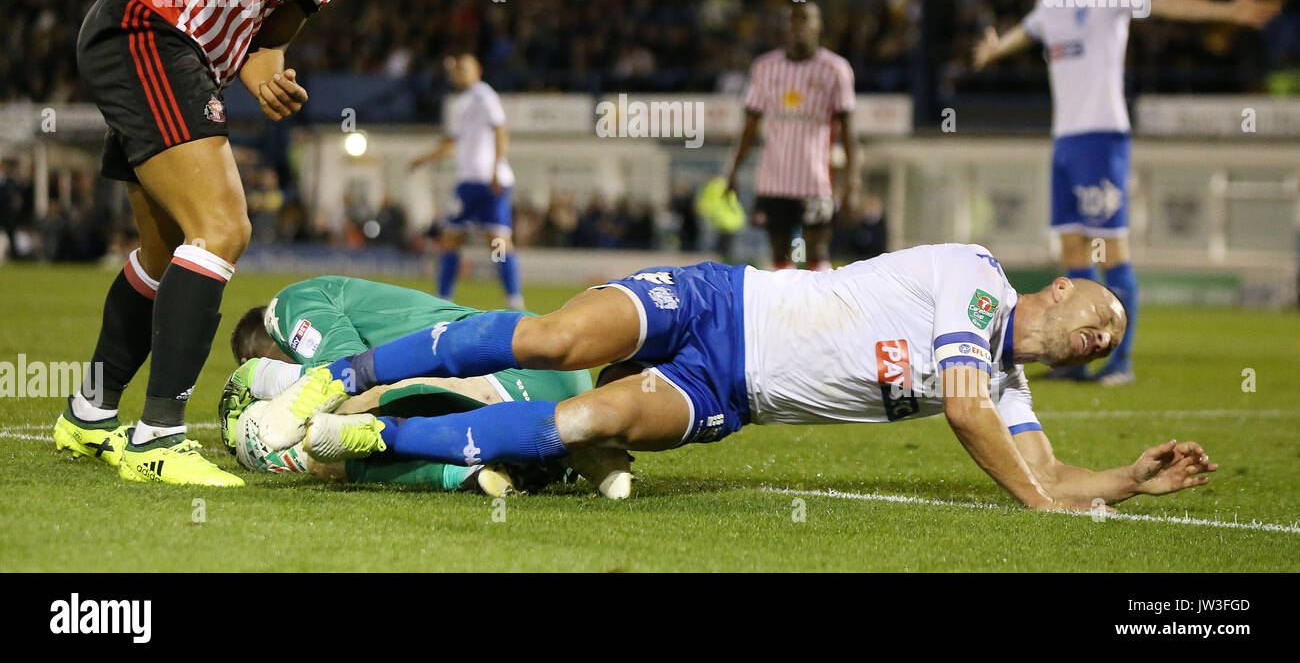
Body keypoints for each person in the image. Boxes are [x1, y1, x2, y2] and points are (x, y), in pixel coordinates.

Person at [53, 0, 473, 486]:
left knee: (166, 251)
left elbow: (273, 30)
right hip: (152, 25)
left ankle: (89, 413)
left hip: (183, 52)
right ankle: (158, 437)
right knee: (222, 228)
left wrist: (267, 69)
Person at [263, 244, 1216, 513]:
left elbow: (1046, 475)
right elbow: (971, 418)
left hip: (730, 394)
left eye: (1110, 341)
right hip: (721, 302)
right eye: (1096, 314)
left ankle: (365, 436)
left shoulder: (1012, 387)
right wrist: (1042, 505)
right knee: (553, 341)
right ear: (1054, 289)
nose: (1099, 336)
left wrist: (1128, 479)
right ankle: (338, 375)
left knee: (585, 420)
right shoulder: (975, 283)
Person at [972, 0, 1280, 385]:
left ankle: (1121, 361)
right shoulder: (1049, 2)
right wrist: (996, 50)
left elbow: (1167, 3)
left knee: (1111, 248)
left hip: (1102, 136)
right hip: (1066, 142)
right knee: (1074, 247)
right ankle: (1078, 360)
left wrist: (1226, 11)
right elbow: (1027, 31)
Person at [221, 275, 630, 497]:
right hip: (549, 373)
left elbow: (341, 371)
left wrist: (259, 383)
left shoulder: (290, 303)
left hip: (505, 368)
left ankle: (480, 467)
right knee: (348, 429)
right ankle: (526, 461)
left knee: (339, 424)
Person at [725, 1, 859, 271]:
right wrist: (733, 170)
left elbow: (848, 132)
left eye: (805, 19)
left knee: (817, 253)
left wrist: (853, 182)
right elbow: (750, 127)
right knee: (780, 254)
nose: (798, 25)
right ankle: (783, 311)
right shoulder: (764, 67)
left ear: (818, 25)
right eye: (792, 20)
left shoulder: (836, 69)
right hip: (773, 181)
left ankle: (820, 312)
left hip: (815, 181)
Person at [410, 54, 523, 308]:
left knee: (498, 242)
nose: (458, 73)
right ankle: (443, 301)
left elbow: (500, 129)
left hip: (488, 181)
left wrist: (496, 168)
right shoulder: (459, 103)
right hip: (467, 183)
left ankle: (515, 302)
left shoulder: (484, 94)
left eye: (464, 68)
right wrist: (422, 159)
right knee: (451, 239)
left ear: (478, 70)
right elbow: (452, 143)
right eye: (456, 69)